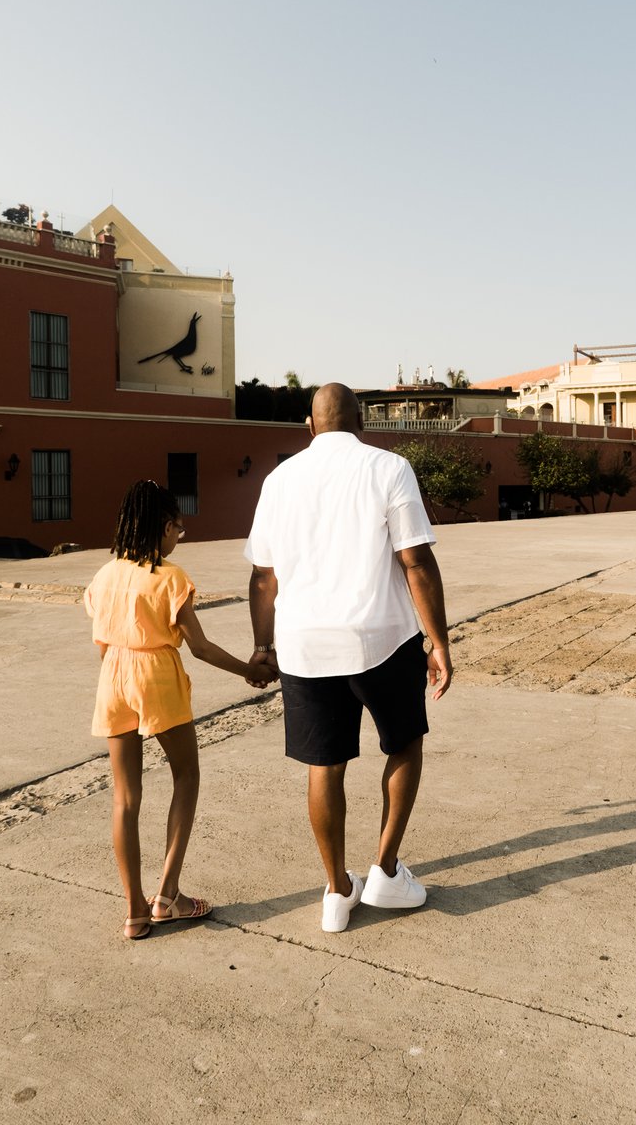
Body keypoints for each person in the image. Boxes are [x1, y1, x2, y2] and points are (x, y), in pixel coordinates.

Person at [244, 383, 452, 933]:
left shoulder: (278, 479)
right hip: (381, 637)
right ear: (362, 423)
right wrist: (439, 642)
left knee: (324, 765)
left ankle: (337, 890)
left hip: (305, 642)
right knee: (405, 742)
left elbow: (263, 576)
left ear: (308, 427)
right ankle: (385, 872)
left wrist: (263, 646)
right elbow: (415, 561)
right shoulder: (388, 467)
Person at [86, 480, 272, 941]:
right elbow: (201, 648)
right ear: (165, 526)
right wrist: (249, 671)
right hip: (156, 675)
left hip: (112, 676)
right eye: (178, 529)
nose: (179, 537)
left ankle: (134, 911)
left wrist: (118, 672)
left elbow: (102, 641)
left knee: (125, 800)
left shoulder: (105, 574)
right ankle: (168, 895)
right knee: (186, 775)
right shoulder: (170, 577)